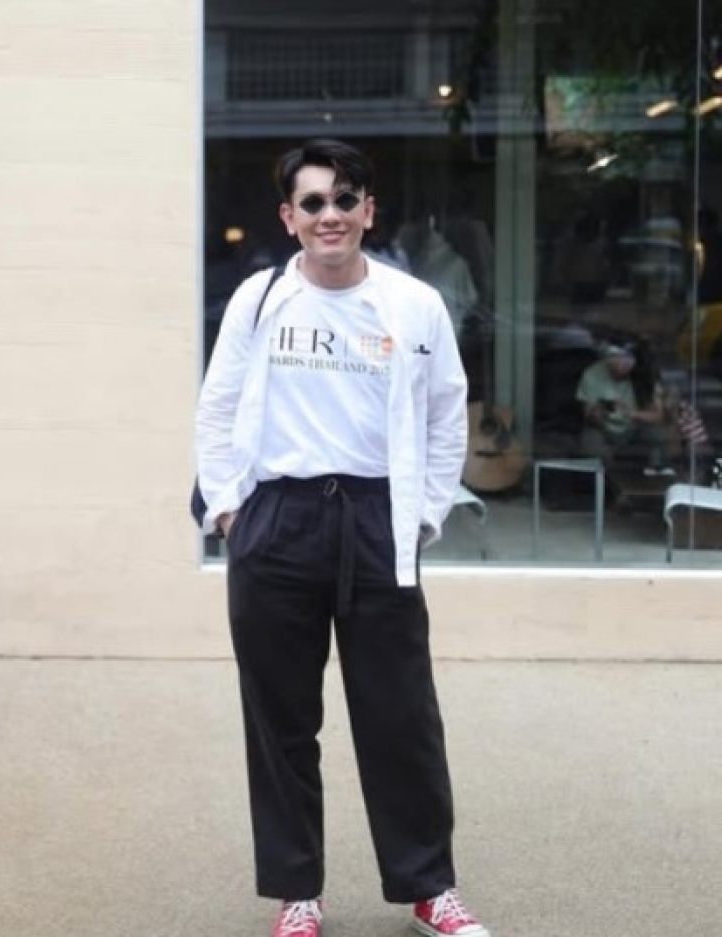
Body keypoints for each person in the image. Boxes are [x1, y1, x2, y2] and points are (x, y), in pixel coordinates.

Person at [195, 138, 489, 937]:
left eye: (345, 199)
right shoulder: (259, 300)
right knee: (281, 721)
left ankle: (428, 886)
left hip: (376, 520)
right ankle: (298, 892)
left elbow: (445, 415)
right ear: (289, 217)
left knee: (402, 717)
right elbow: (217, 409)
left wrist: (422, 515)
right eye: (314, 202)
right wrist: (233, 513)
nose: (331, 214)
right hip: (277, 520)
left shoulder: (414, 304)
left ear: (369, 211)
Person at [576, 338, 673, 475]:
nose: (621, 363)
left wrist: (631, 413)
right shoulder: (592, 374)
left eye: (627, 359)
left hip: (632, 427)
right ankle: (603, 484)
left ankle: (658, 477)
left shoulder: (643, 376)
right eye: (616, 358)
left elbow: (658, 416)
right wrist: (600, 413)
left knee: (658, 436)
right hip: (603, 429)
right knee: (593, 447)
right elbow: (587, 414)